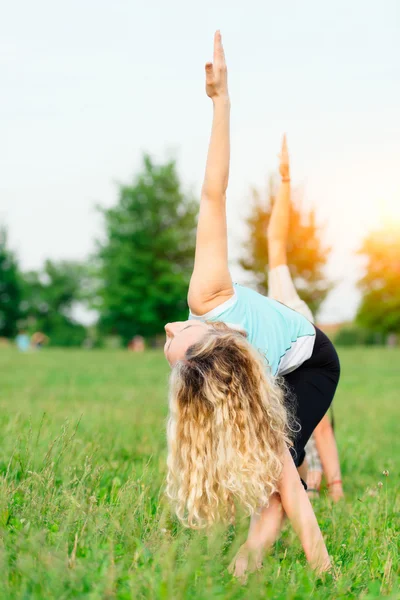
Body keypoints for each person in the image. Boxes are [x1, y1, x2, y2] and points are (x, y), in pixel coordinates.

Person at [164, 32, 340, 575]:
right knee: (278, 471)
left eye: (170, 341)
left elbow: (212, 192)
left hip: (311, 358)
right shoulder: (228, 360)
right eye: (178, 341)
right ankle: (258, 564)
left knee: (280, 469)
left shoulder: (207, 293)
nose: (170, 329)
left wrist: (222, 103)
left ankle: (282, 563)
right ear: (210, 345)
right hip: (304, 365)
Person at [269, 135, 344, 503]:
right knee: (288, 422)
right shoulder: (263, 311)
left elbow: (276, 237)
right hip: (284, 356)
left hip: (307, 346)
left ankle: (329, 484)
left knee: (317, 421)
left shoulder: (282, 291)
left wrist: (285, 182)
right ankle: (306, 481)